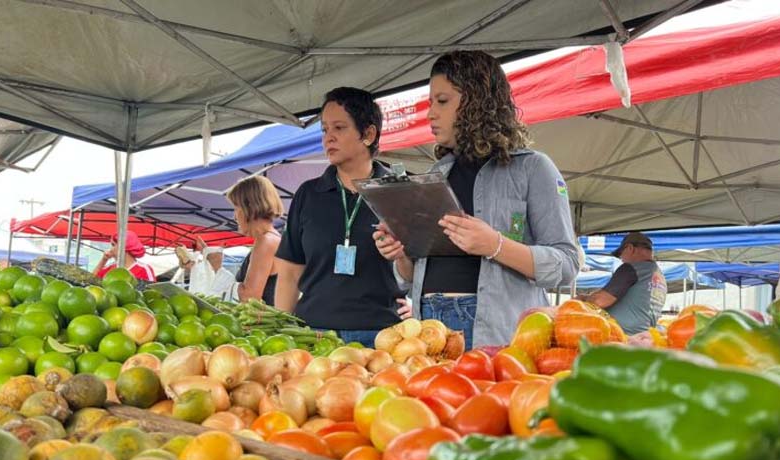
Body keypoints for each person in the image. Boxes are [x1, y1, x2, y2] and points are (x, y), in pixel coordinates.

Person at [374, 50, 579, 349]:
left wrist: (495, 245)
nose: (430, 113)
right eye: (430, 102)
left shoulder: (533, 168)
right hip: (427, 326)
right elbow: (408, 277)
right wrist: (401, 252)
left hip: (498, 329)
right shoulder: (435, 174)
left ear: (477, 101)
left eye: (442, 101)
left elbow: (567, 264)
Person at [275, 87, 404, 347]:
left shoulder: (399, 190)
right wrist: (283, 331)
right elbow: (289, 273)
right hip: (313, 334)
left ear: (368, 134)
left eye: (339, 128)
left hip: (379, 337)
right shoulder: (308, 194)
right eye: (324, 130)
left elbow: (418, 265)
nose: (328, 138)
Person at [577, 232, 667, 335]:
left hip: (622, 337)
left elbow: (599, 301)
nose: (622, 260)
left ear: (630, 248)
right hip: (646, 338)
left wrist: (582, 299)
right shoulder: (659, 276)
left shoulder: (631, 268)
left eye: (621, 255)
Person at [226, 176, 283, 305]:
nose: (235, 216)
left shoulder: (266, 242)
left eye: (236, 208)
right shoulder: (272, 238)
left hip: (265, 325)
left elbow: (249, 296)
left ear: (249, 207)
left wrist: (222, 283)